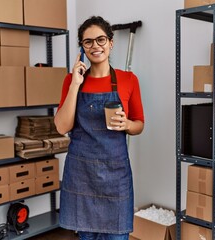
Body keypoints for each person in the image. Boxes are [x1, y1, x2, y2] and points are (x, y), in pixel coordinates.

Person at [54, 16, 145, 240]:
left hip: (116, 176)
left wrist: (127, 124)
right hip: (81, 174)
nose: (95, 46)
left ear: (111, 43)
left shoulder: (128, 80)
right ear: (82, 47)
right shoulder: (71, 80)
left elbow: (139, 124)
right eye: (88, 42)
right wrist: (75, 83)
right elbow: (61, 126)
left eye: (101, 39)